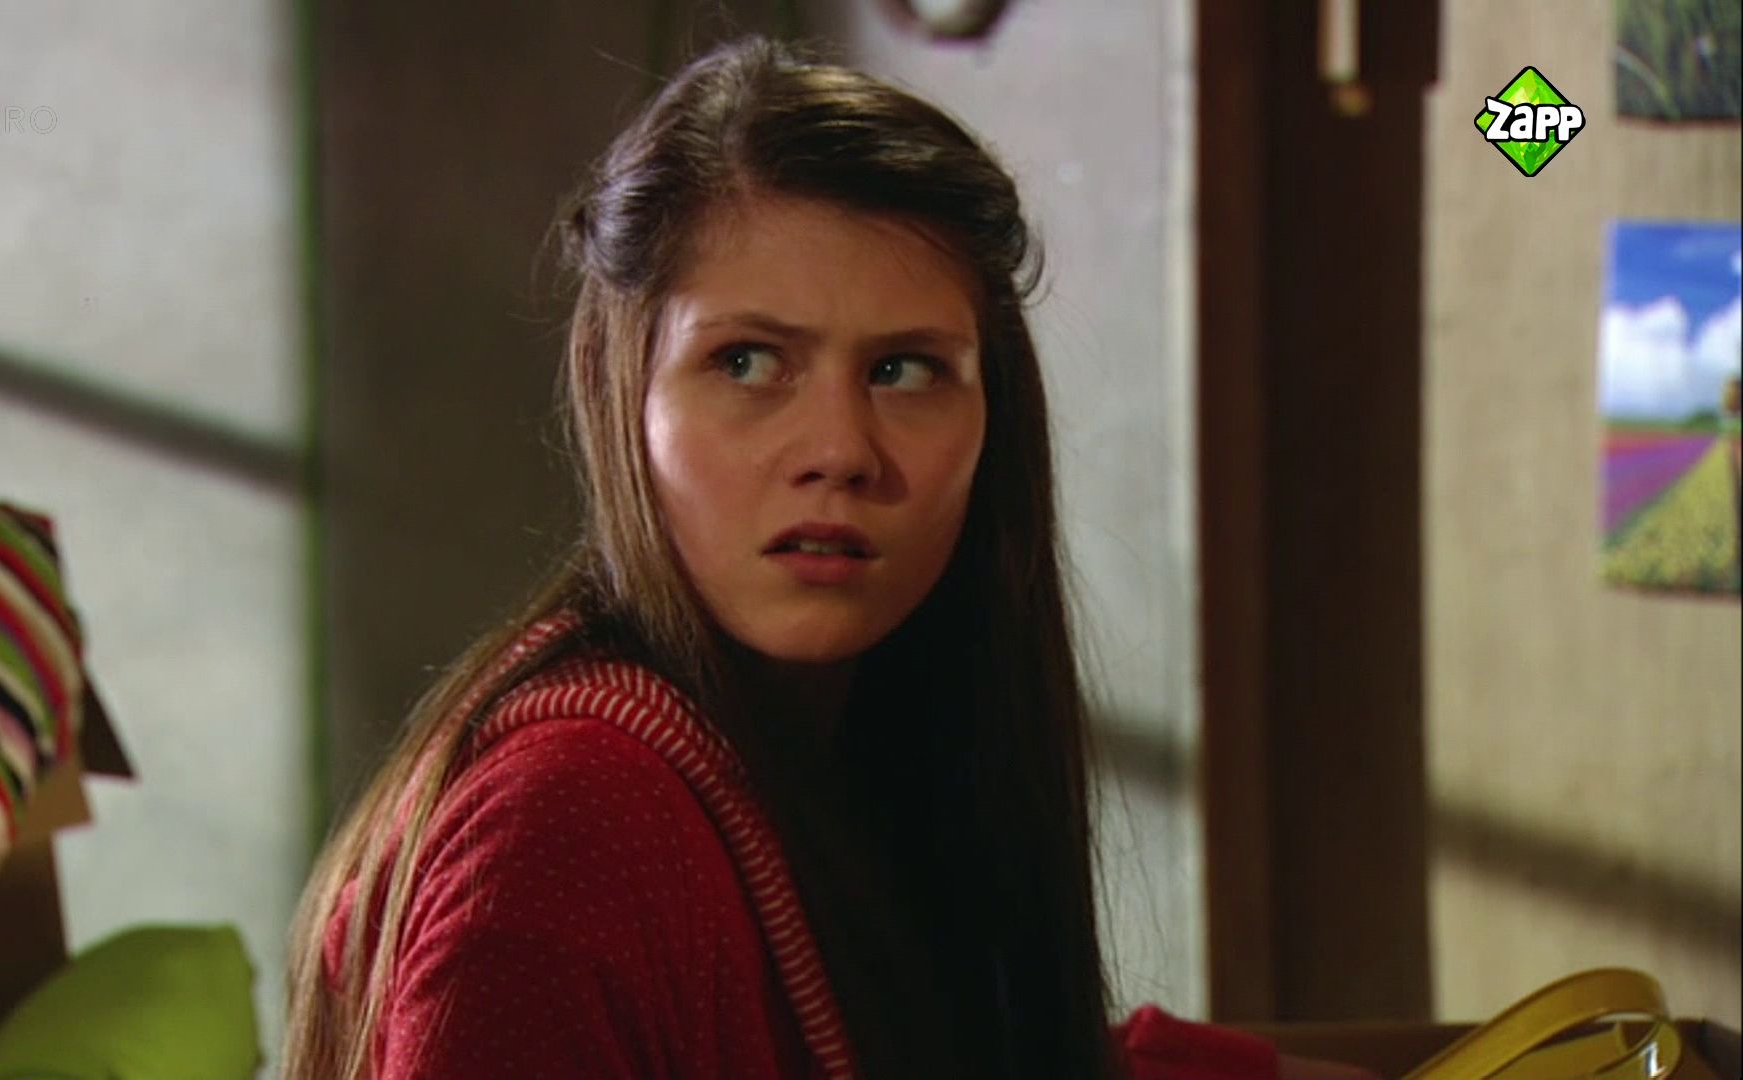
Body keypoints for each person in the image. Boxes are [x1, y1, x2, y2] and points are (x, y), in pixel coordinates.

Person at [284, 35, 1375, 1080]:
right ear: (619, 387)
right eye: (747, 362)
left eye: (905, 371)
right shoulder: (562, 826)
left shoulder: (859, 746)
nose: (840, 451)